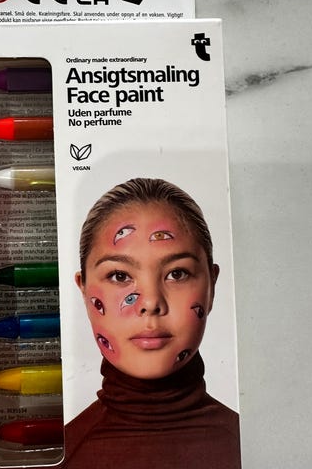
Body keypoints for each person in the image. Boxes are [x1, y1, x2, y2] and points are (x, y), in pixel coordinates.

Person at [61, 177, 241, 468]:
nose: (150, 302)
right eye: (120, 276)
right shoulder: (57, 458)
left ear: (212, 285)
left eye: (177, 274)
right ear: (84, 290)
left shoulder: (261, 449)